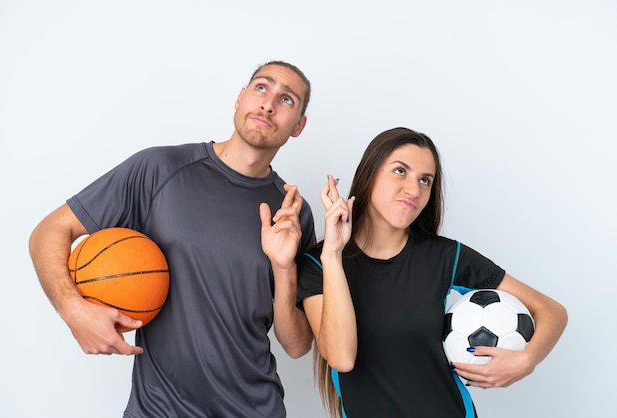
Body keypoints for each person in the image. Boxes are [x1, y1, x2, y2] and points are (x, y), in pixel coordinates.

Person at [29, 60, 316, 418]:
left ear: (298, 126)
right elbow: (49, 232)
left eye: (287, 99)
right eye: (261, 87)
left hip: (253, 409)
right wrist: (74, 311)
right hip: (158, 410)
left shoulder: (293, 213)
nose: (268, 103)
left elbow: (297, 345)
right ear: (240, 98)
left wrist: (284, 267)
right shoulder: (159, 169)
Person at [296, 127, 568, 418]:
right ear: (369, 174)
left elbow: (551, 310)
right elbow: (341, 357)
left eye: (425, 180)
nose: (414, 190)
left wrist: (528, 359)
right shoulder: (320, 263)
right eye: (400, 171)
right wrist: (334, 255)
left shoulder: (446, 256)